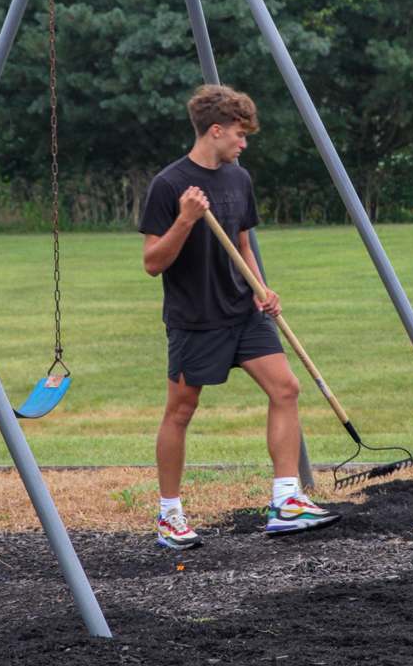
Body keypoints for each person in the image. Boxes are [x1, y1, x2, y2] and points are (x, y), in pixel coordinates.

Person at [139, 84, 341, 550]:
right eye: (239, 135)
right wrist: (186, 219)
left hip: (242, 311)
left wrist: (261, 288)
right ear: (215, 130)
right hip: (195, 318)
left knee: (286, 387)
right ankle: (170, 516)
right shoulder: (170, 186)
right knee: (182, 410)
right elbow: (152, 262)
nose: (244, 143)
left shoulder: (238, 179)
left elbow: (243, 244)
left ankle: (286, 501)